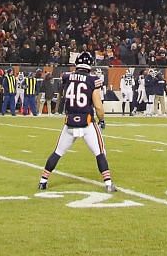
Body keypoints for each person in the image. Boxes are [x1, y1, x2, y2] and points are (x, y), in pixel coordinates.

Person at [38, 53, 115, 194]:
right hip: (87, 122)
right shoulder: (93, 80)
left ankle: (43, 181)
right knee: (100, 152)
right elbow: (98, 105)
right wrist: (102, 119)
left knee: (57, 152)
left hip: (70, 122)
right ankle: (108, 183)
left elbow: (63, 93)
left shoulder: (67, 76)